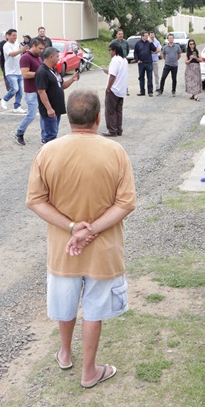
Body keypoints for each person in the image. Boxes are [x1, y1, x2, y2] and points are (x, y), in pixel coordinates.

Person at [26, 88, 136, 390]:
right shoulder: (115, 152)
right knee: (95, 309)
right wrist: (92, 229)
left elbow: (35, 201)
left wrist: (73, 227)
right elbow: (126, 203)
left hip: (64, 248)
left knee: (65, 303)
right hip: (104, 249)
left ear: (68, 119)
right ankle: (89, 372)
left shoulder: (48, 151)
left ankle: (65, 352)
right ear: (99, 118)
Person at [36, 46, 81, 143]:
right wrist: (49, 108)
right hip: (50, 110)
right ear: (51, 57)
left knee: (53, 133)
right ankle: (47, 155)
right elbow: (41, 91)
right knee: (49, 136)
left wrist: (72, 79)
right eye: (57, 56)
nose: (59, 58)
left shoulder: (54, 71)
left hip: (57, 108)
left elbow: (62, 85)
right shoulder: (42, 72)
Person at [15, 37, 47, 146]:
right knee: (32, 115)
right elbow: (25, 74)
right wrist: (40, 74)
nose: (41, 51)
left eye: (43, 49)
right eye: (40, 48)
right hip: (31, 91)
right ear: (33, 46)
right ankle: (19, 132)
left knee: (44, 114)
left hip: (40, 90)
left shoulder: (38, 57)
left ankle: (45, 137)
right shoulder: (25, 57)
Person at [102, 42, 128, 137]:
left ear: (114, 51)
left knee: (110, 111)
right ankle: (118, 129)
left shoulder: (115, 60)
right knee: (118, 111)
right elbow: (116, 72)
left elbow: (113, 76)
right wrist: (108, 71)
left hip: (114, 89)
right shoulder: (124, 60)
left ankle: (112, 130)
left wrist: (108, 88)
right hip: (121, 89)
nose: (109, 52)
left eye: (110, 50)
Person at [1, 29, 29, 113]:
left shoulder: (17, 44)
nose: (15, 37)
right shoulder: (6, 45)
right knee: (14, 88)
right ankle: (5, 99)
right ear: (8, 36)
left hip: (19, 71)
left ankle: (17, 106)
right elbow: (12, 54)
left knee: (20, 90)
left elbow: (20, 53)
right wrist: (21, 50)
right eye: (13, 35)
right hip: (10, 71)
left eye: (16, 35)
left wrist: (25, 51)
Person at [133, 31, 155, 97]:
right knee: (141, 78)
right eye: (145, 36)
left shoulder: (149, 43)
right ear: (142, 36)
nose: (147, 37)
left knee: (150, 77)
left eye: (147, 36)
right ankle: (142, 91)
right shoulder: (138, 43)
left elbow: (154, 49)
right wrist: (137, 60)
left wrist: (151, 43)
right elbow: (135, 53)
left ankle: (150, 92)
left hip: (148, 63)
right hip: (141, 63)